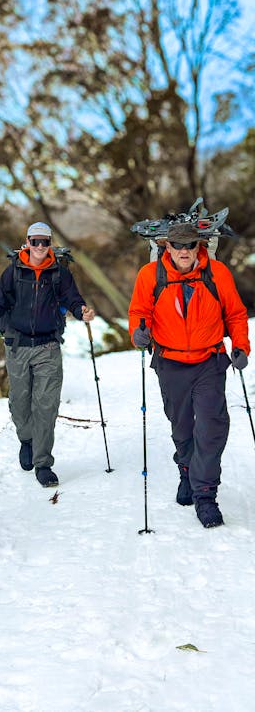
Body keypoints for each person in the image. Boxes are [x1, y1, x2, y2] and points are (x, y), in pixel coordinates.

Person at [128, 222, 250, 529]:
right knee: (181, 427)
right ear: (167, 247)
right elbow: (139, 312)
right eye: (178, 246)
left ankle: (205, 495)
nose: (184, 252)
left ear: (199, 246)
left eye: (190, 246)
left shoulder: (217, 273)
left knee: (211, 426)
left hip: (210, 360)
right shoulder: (150, 275)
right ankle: (186, 469)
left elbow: (235, 313)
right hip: (170, 363)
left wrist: (241, 346)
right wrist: (138, 334)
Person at [0, 221, 95, 487]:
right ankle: (27, 440)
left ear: (50, 243)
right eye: (36, 242)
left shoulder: (60, 273)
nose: (40, 247)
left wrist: (82, 312)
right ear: (27, 242)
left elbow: (73, 299)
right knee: (20, 403)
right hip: (17, 345)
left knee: (46, 405)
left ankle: (43, 463)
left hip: (48, 346)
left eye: (45, 242)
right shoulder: (13, 272)